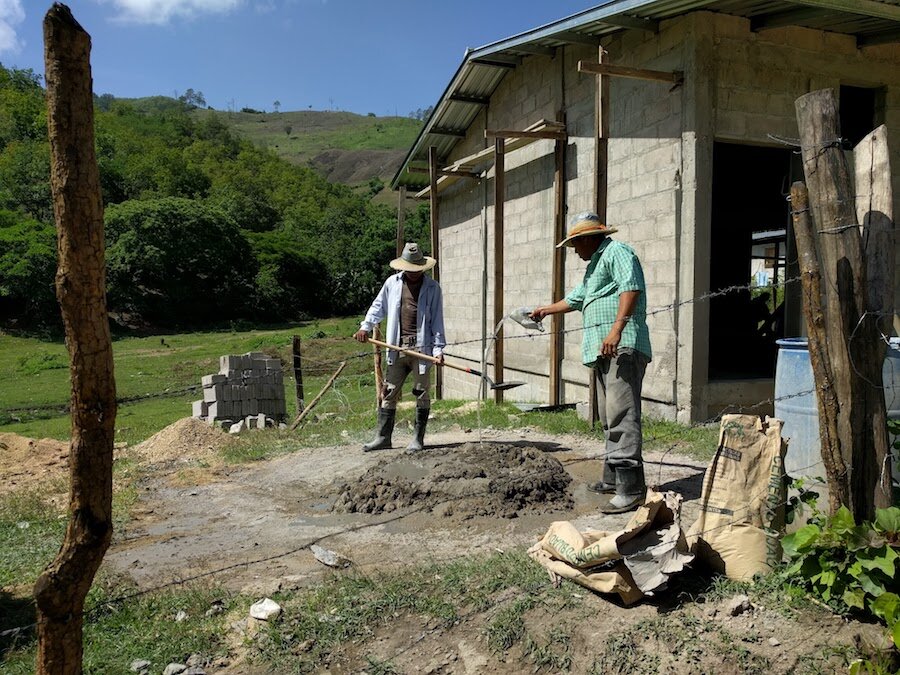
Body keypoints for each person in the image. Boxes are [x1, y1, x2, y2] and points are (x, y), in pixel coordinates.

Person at [531, 212, 652, 514]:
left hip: (622, 346)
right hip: (604, 350)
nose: (574, 251)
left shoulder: (617, 252)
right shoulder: (596, 264)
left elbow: (631, 288)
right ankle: (613, 479)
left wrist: (615, 330)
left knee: (622, 414)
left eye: (575, 245)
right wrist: (546, 310)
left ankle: (631, 489)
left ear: (587, 239)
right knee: (610, 417)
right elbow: (577, 298)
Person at [354, 242, 446, 453]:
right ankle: (383, 438)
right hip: (396, 347)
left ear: (423, 267)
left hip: (422, 349)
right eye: (410, 269)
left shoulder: (433, 288)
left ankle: (417, 439)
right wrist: (365, 327)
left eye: (417, 269)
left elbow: (437, 321)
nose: (413, 273)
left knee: (421, 393)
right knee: (389, 392)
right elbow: (378, 306)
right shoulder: (392, 283)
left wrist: (438, 350)